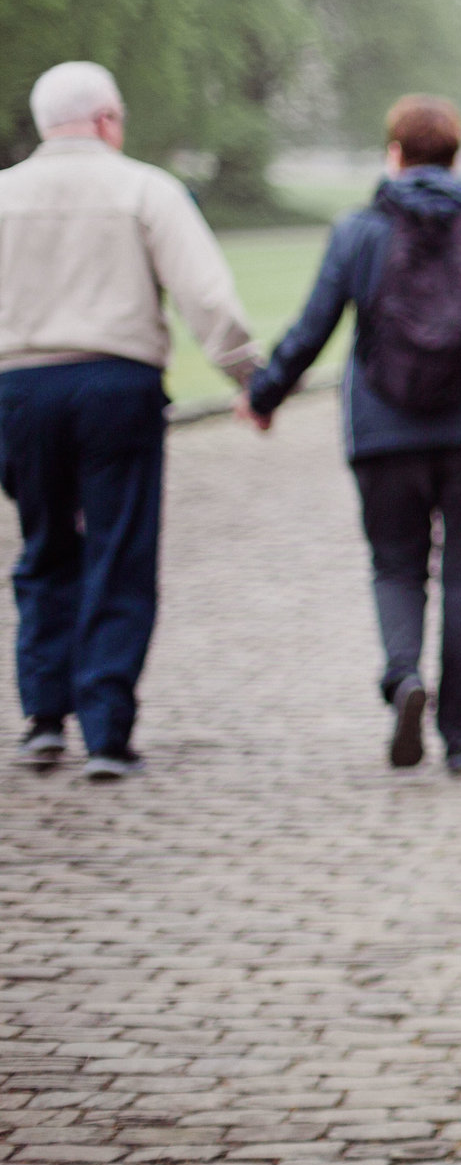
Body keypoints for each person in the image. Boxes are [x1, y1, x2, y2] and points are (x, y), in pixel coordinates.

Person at [242, 97, 461, 774]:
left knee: (396, 562)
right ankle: (459, 734)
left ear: (393, 154)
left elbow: (314, 326)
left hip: (384, 425)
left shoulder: (359, 230)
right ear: (457, 156)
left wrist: (265, 394)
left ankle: (404, 677)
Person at [0, 63, 262, 779]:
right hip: (116, 382)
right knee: (118, 548)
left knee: (45, 543)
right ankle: (108, 727)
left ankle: (44, 716)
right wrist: (248, 375)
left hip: (20, 384)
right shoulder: (143, 187)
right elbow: (204, 291)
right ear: (108, 118)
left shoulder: (4, 195)